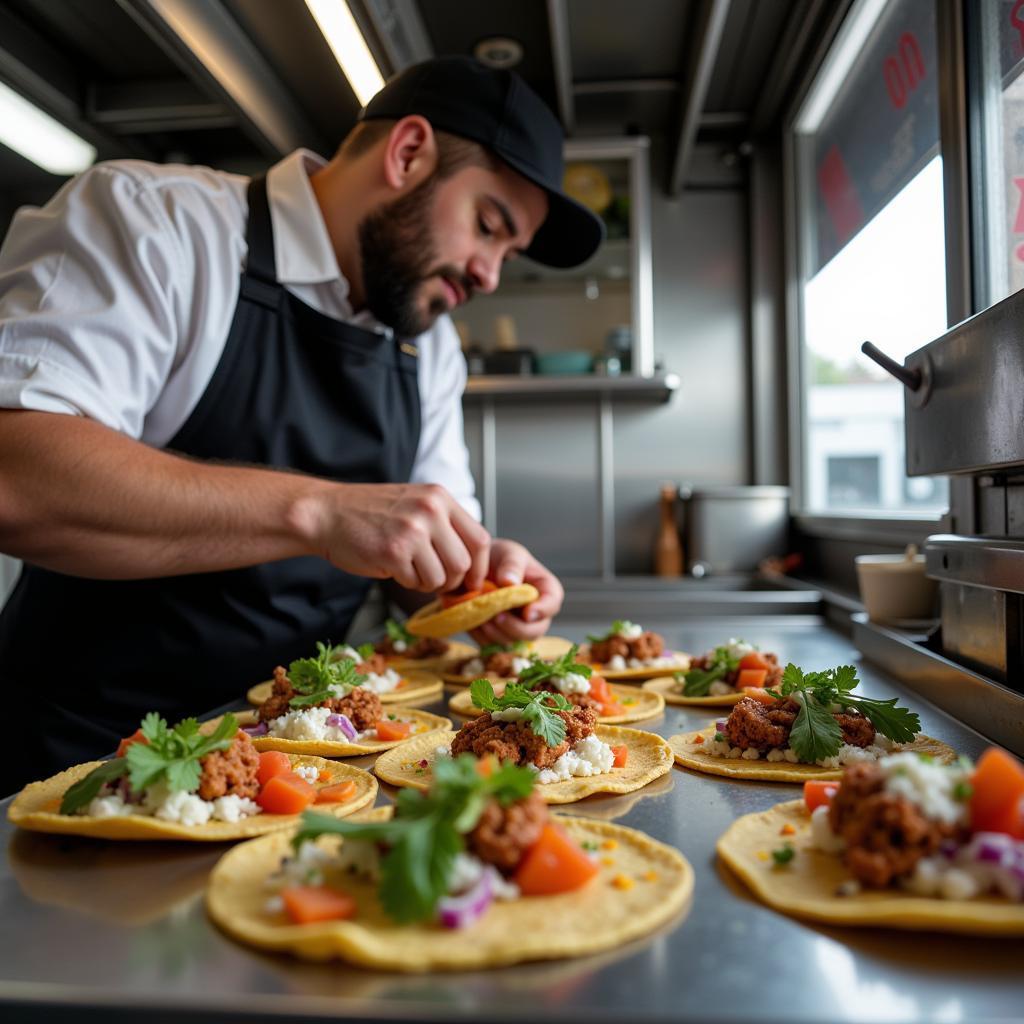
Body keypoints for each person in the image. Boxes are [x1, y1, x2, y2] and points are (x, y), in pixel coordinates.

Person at [0, 56, 604, 793]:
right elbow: (17, 474)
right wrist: (320, 510)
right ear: (407, 152)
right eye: (488, 226)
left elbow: (425, 562)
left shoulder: (431, 348)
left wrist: (480, 578)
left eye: (507, 252)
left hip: (302, 765)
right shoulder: (156, 222)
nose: (490, 275)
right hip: (76, 758)